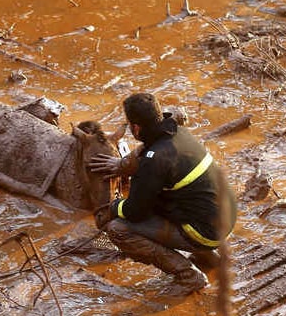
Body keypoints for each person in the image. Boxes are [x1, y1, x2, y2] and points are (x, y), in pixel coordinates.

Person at [89, 93, 237, 296]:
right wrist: (120, 165)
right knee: (178, 199)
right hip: (224, 220)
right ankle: (210, 258)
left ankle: (188, 275)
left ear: (135, 128)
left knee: (118, 228)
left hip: (204, 232)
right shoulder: (177, 134)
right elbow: (143, 152)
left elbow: (134, 212)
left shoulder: (154, 160)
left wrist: (113, 207)